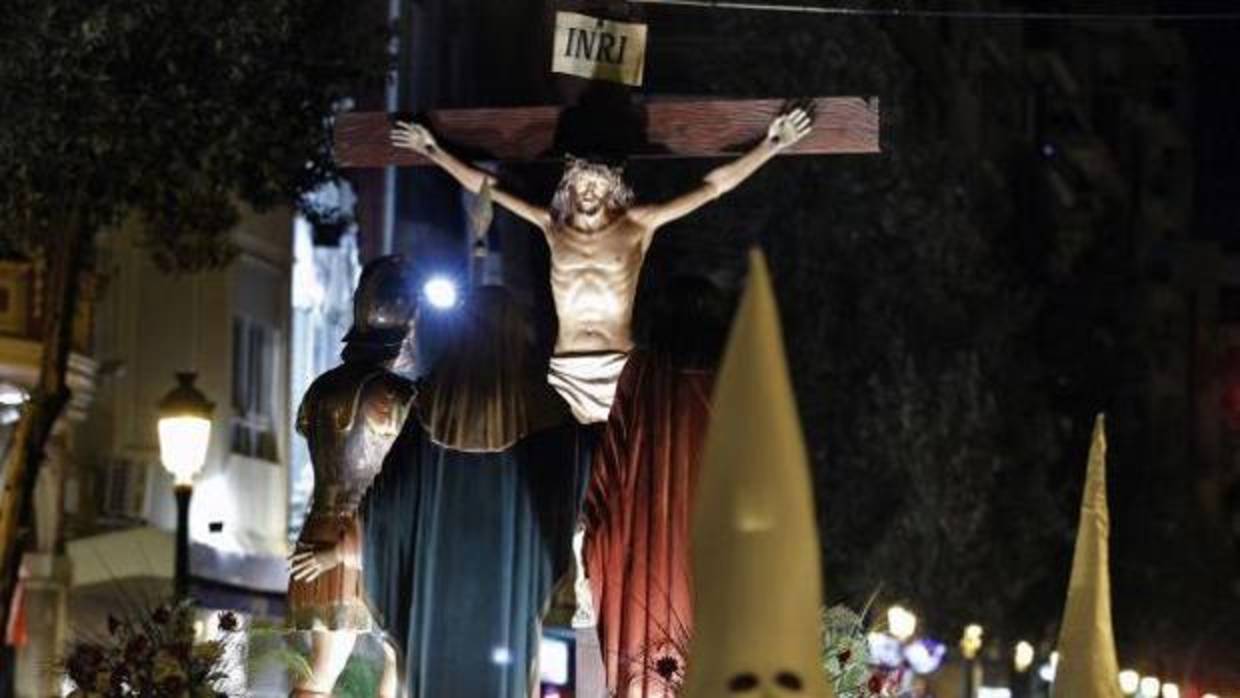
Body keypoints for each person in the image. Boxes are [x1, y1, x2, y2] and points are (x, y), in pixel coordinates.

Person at [390, 107, 812, 424]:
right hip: (565, 367)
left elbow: (712, 187)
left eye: (598, 183)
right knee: (563, 477)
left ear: (614, 187)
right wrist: (432, 150)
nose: (589, 191)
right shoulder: (551, 225)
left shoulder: (638, 225)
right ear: (569, 185)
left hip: (618, 365)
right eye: (582, 182)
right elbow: (488, 187)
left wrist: (771, 145)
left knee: (620, 476)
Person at [286, 256, 418, 698]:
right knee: (399, 662)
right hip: (373, 534)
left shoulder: (320, 389)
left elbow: (309, 435)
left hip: (319, 527)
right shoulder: (401, 398)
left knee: (320, 673)